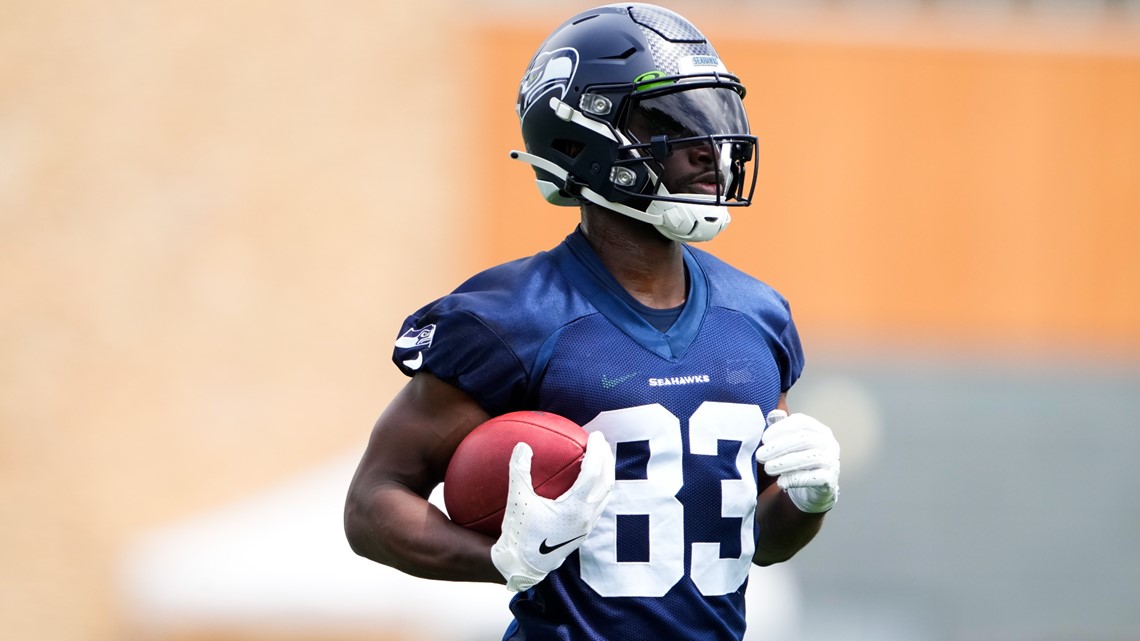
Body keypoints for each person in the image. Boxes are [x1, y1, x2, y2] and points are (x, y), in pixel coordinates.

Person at [344, 4, 841, 639]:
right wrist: (499, 560)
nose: (708, 149)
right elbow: (372, 504)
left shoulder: (758, 314)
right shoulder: (512, 316)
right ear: (581, 138)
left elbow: (762, 544)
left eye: (713, 119)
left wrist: (809, 499)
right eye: (672, 122)